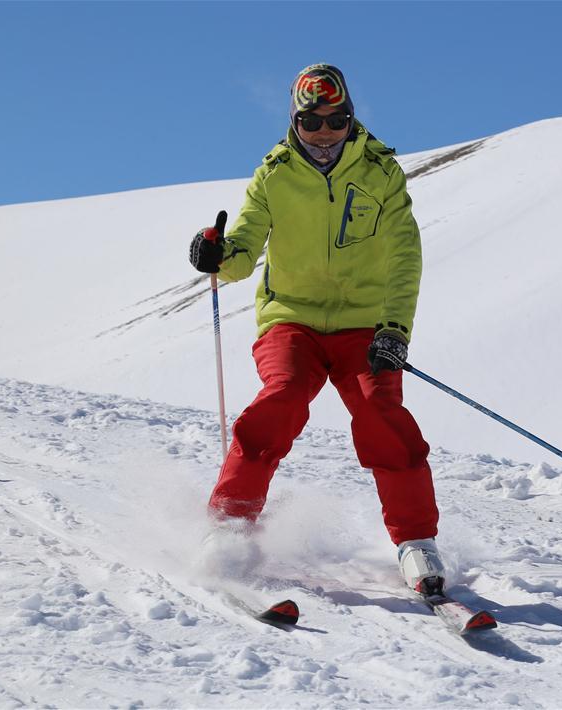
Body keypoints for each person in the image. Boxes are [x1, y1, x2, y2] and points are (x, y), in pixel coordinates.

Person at [188, 64, 445, 594]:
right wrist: (218, 255)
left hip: (364, 324)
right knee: (281, 396)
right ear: (294, 121)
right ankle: (230, 525)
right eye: (312, 122)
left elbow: (405, 254)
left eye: (337, 119)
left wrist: (395, 329)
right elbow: (243, 250)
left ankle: (416, 542)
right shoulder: (274, 174)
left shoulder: (380, 172)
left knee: (381, 413)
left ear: (351, 117)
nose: (325, 133)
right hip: (292, 319)